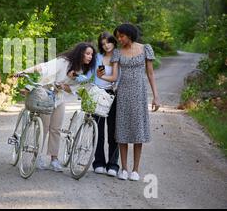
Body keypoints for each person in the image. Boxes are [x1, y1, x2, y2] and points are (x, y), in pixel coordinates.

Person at [15, 42, 96, 172]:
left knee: (56, 128)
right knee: (44, 127)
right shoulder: (63, 62)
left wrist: (62, 86)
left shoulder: (82, 71)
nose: (90, 56)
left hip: (60, 97)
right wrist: (24, 71)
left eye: (92, 54)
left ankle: (54, 159)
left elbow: (71, 89)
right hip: (46, 94)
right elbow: (43, 67)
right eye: (87, 53)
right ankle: (38, 156)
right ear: (80, 53)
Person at [98, 23, 160, 181]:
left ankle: (135, 170)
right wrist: (101, 77)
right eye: (117, 36)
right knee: (122, 131)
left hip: (139, 94)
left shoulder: (145, 48)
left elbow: (151, 74)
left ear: (130, 34)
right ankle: (124, 169)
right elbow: (113, 77)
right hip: (123, 95)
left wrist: (156, 96)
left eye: (121, 36)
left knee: (138, 132)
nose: (119, 39)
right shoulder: (117, 52)